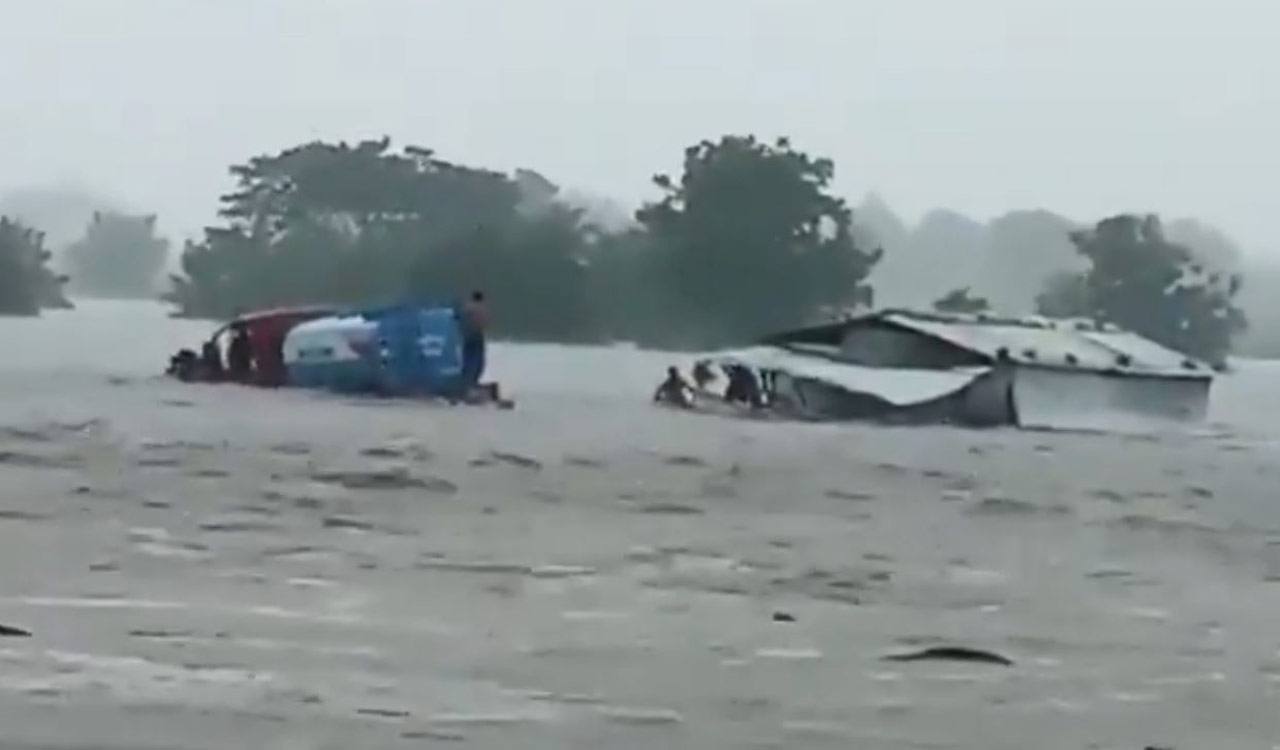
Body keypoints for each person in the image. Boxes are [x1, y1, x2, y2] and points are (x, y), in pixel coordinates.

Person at [458, 290, 489, 393]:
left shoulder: (465, 308)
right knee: (477, 361)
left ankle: (465, 382)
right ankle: (472, 383)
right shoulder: (481, 309)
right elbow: (484, 323)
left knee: (467, 360)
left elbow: (459, 320)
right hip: (477, 336)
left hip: (467, 336)